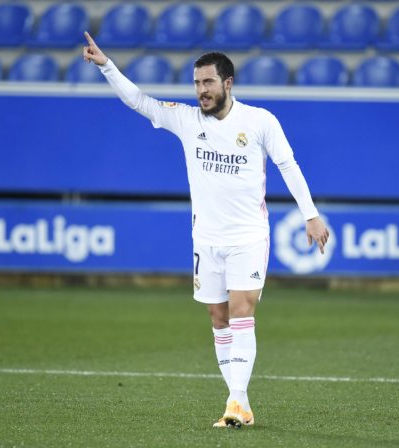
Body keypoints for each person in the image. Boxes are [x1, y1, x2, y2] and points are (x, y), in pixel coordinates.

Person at [82, 31, 329, 428]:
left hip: (249, 235)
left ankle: (235, 400)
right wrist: (107, 66)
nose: (202, 90)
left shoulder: (260, 121)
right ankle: (241, 405)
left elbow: (288, 166)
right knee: (218, 316)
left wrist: (310, 214)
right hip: (206, 239)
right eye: (197, 83)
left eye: (209, 82)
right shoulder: (185, 119)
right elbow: (139, 101)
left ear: (227, 83)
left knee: (242, 308)